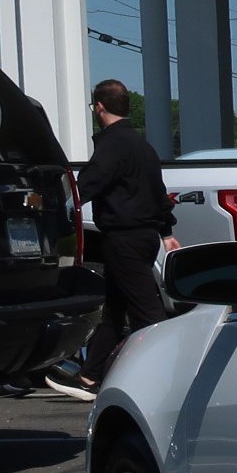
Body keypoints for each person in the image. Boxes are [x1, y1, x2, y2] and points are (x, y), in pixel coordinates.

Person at [45, 80, 178, 403]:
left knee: (149, 316)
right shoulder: (143, 146)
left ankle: (173, 380)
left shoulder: (112, 145)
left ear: (99, 108)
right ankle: (89, 377)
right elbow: (159, 194)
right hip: (145, 238)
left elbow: (86, 186)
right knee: (115, 312)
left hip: (123, 238)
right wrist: (166, 233)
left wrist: (54, 206)